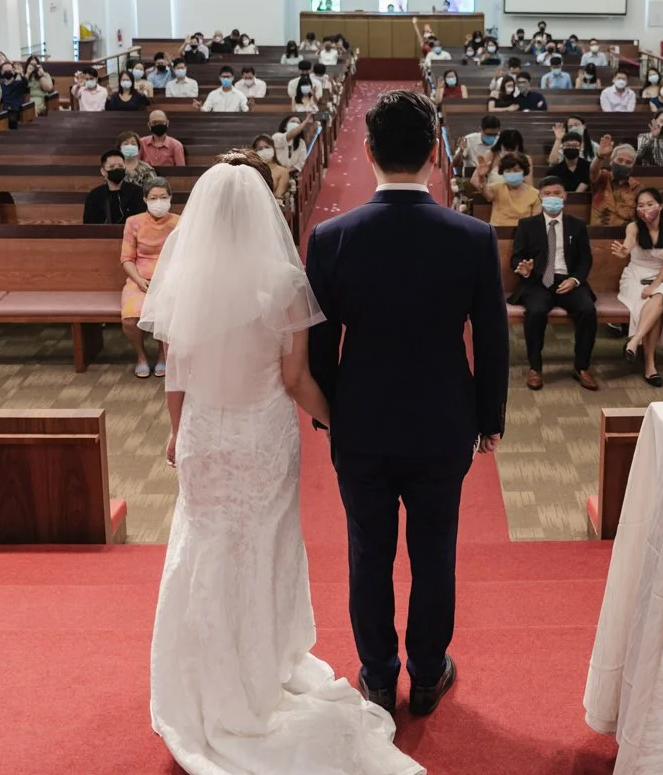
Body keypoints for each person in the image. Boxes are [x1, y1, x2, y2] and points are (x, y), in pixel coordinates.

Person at [139, 152, 421, 775]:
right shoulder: (284, 284)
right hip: (262, 437)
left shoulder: (185, 275)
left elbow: (175, 372)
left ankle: (202, 680)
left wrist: (178, 433)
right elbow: (295, 380)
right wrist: (342, 421)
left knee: (205, 547)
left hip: (204, 433)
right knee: (262, 548)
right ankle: (258, 671)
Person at [305, 90, 508, 721]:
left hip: (361, 424)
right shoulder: (472, 236)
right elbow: (492, 338)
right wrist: (489, 419)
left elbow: (319, 345)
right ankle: (425, 673)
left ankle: (376, 675)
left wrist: (332, 416)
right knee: (434, 553)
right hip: (443, 422)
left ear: (368, 150)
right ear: (433, 154)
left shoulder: (332, 237)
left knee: (368, 555)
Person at [510, 175, 598, 392]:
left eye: (557, 193)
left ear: (565, 196)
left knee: (587, 310)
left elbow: (585, 259)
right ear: (540, 197)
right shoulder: (527, 225)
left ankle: (582, 367)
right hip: (538, 281)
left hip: (568, 281)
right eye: (547, 194)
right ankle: (535, 368)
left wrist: (575, 280)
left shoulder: (577, 225)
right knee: (536, 311)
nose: (552, 197)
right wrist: (524, 269)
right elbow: (516, 256)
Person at [613, 188, 663, 386]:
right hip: (634, 276)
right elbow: (627, 244)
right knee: (654, 307)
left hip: (662, 275)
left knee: (660, 296)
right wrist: (624, 250)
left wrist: (655, 285)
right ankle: (650, 365)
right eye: (641, 205)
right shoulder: (634, 227)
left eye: (650, 204)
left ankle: (634, 341)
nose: (646, 209)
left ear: (660, 205)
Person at [120, 177, 179, 378]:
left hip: (170, 280)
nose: (159, 202)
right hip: (140, 280)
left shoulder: (180, 222)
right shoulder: (133, 222)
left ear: (170, 198)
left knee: (168, 314)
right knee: (130, 318)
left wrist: (168, 280)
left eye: (163, 197)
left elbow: (185, 256)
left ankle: (163, 354)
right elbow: (126, 259)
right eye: (153, 198)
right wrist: (138, 280)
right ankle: (141, 355)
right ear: (145, 199)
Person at [473, 150, 540, 226]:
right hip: (498, 230)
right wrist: (481, 177)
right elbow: (485, 191)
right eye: (508, 171)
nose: (512, 173)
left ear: (524, 171)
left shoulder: (535, 194)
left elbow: (535, 222)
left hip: (522, 231)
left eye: (516, 170)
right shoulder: (497, 188)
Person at [84, 149, 146, 224]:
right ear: (103, 171)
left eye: (120, 166)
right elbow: (89, 225)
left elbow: (143, 221)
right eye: (111, 167)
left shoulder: (138, 192)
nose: (116, 169)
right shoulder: (94, 196)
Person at [590, 137, 640, 227]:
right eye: (620, 160)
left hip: (626, 233)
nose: (623, 164)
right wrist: (599, 156)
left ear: (632, 166)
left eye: (628, 162)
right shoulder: (603, 177)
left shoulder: (637, 187)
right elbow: (593, 171)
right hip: (600, 232)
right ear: (611, 161)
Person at [545, 127, 591, 193]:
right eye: (568, 145)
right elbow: (552, 161)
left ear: (580, 147)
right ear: (562, 147)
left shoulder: (588, 166)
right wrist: (558, 140)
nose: (571, 147)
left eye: (575, 145)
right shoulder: (556, 170)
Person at [253, 134, 292, 201]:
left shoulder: (282, 171)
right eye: (260, 149)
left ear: (273, 149)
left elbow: (279, 196)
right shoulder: (252, 171)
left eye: (267, 147)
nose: (264, 150)